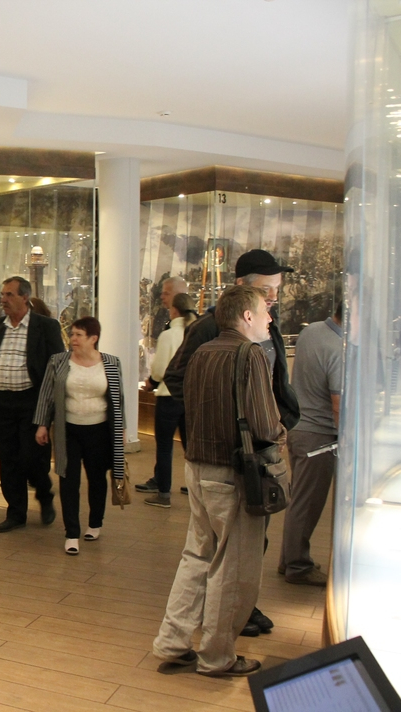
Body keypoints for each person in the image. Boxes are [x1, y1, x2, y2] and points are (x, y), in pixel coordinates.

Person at [162, 248, 299, 636]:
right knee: (225, 548)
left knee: (242, 542)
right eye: (266, 290)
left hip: (253, 452)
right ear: (244, 293)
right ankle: (220, 633)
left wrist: (280, 421)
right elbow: (177, 378)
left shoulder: (267, 327)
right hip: (229, 457)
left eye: (276, 290)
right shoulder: (213, 330)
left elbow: (275, 384)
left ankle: (231, 613)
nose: (273, 298)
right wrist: (220, 424)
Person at [152, 284, 285, 678]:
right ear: (247, 316)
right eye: (265, 311)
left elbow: (177, 385)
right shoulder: (250, 354)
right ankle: (217, 655)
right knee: (233, 565)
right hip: (232, 473)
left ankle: (173, 642)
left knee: (197, 556)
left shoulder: (203, 351)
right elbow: (264, 423)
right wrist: (280, 435)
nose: (269, 318)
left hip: (197, 465)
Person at [33, 317, 125, 555]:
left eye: (79, 335)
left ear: (93, 338)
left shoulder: (111, 363)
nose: (73, 339)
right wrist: (42, 424)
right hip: (68, 430)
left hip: (99, 430)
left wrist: (122, 429)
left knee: (97, 478)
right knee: (68, 479)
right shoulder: (58, 361)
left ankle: (95, 523)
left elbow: (118, 399)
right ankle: (71, 533)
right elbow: (46, 395)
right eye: (72, 334)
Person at [0, 276, 65, 533]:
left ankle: (44, 494)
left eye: (9, 294)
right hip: (2, 403)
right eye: (2, 294)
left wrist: (49, 407)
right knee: (8, 459)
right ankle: (16, 513)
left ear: (25, 297)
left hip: (32, 402)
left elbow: (57, 366)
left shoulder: (45, 326)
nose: (3, 299)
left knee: (31, 457)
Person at [278, 303, 342, 586]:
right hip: (319, 435)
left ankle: (289, 559)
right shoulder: (338, 348)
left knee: (300, 498)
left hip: (299, 427)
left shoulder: (312, 331)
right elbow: (338, 404)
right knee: (307, 503)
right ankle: (298, 565)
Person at [137, 292, 198, 507]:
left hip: (168, 396)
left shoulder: (169, 335)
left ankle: (163, 493)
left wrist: (151, 383)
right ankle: (195, 488)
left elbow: (160, 369)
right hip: (190, 397)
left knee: (164, 447)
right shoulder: (197, 333)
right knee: (191, 447)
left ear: (174, 310)